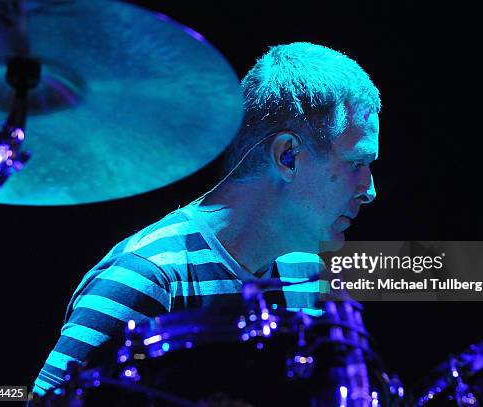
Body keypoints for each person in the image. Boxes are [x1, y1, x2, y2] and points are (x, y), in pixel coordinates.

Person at [33, 42, 381, 396]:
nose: (370, 190)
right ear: (288, 156)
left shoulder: (308, 276)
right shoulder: (147, 277)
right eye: (357, 163)